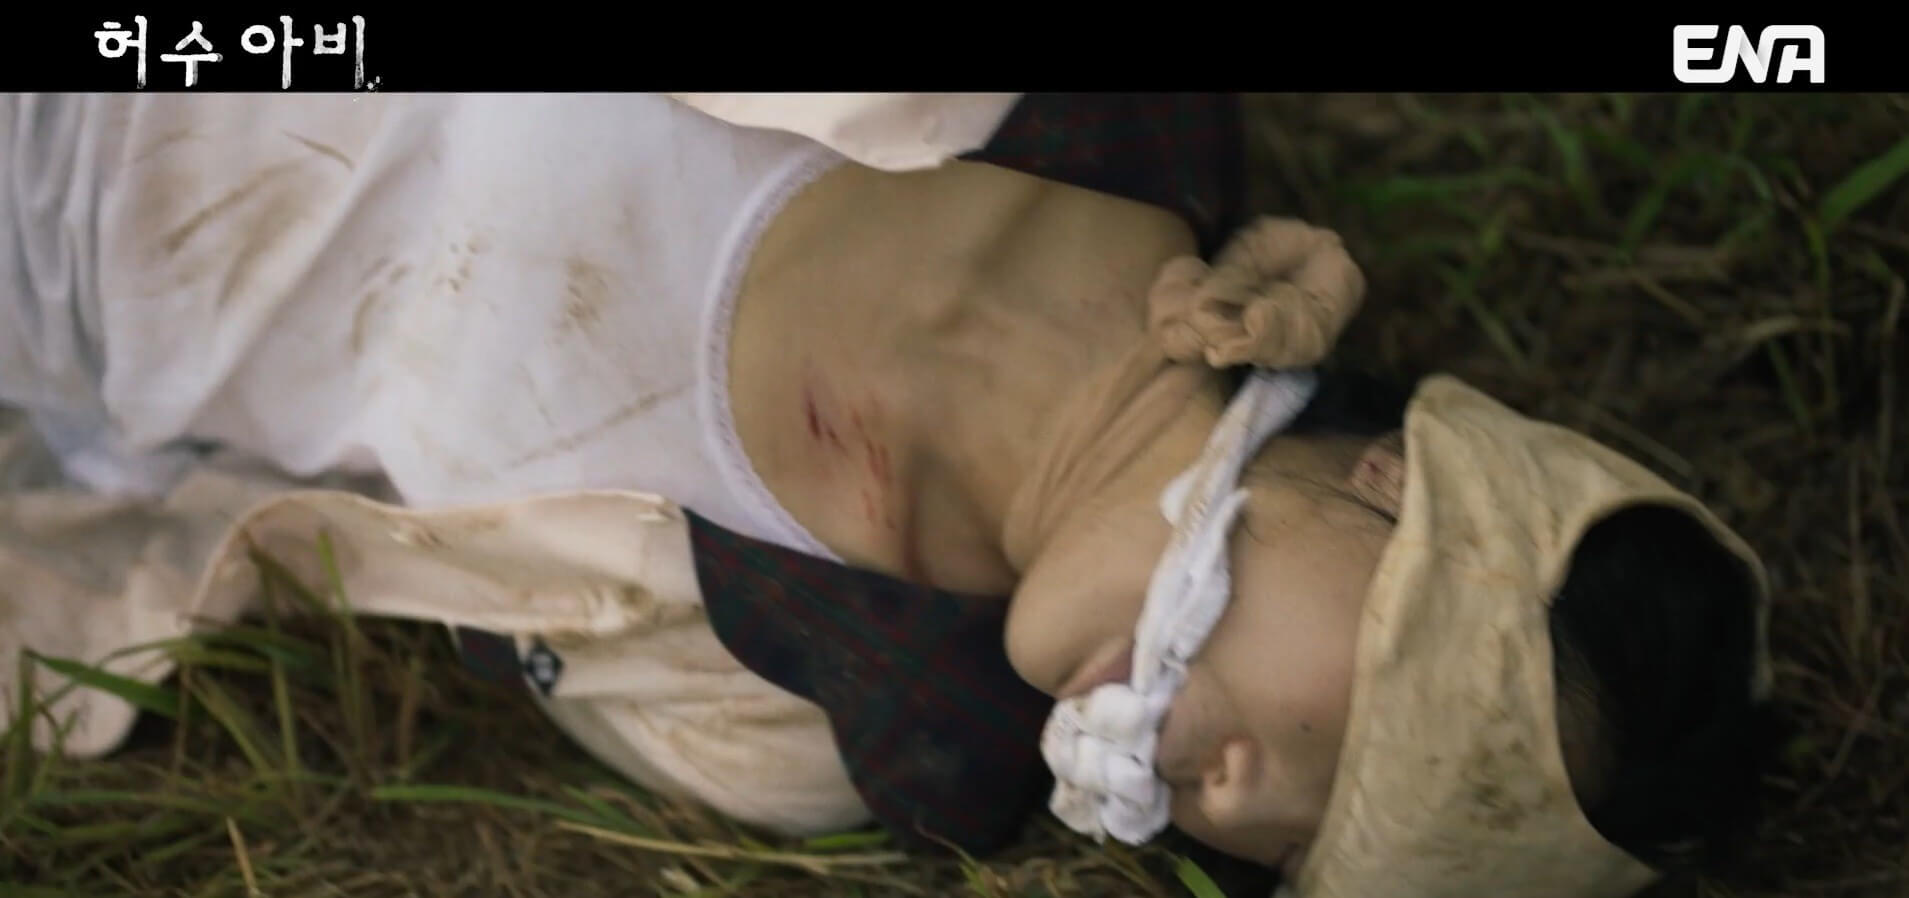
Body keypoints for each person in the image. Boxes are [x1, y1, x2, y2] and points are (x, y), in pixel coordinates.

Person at [0, 93, 1778, 897]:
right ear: (1395, 483)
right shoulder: (1077, 121)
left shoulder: (797, 711)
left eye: (1309, 861)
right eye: (1379, 736)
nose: (1239, 804)